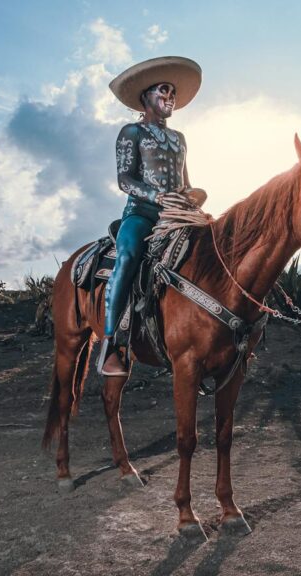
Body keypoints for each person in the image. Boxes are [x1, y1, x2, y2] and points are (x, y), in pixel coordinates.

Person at [99, 56, 206, 376]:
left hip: (178, 213)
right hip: (142, 212)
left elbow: (185, 182)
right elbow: (124, 180)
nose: (170, 96)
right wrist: (156, 195)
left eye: (173, 92)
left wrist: (193, 195)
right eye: (164, 90)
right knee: (129, 255)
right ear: (146, 96)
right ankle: (112, 343)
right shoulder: (131, 131)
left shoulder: (179, 139)